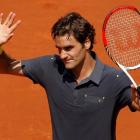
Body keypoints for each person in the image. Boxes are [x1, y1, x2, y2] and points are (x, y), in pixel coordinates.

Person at [0, 11, 140, 140]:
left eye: (68, 48)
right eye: (59, 49)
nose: (62, 55)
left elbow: (136, 102)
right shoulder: (51, 67)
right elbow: (6, 66)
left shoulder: (115, 80)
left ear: (86, 42)